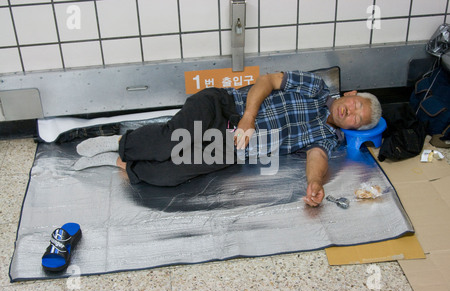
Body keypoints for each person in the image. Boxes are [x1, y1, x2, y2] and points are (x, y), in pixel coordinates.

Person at [74, 70, 382, 207]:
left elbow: (318, 158)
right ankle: (118, 143)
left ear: (356, 128)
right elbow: (268, 80)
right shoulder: (317, 87)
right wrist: (248, 116)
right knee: (172, 140)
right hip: (226, 106)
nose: (350, 112)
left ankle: (117, 161)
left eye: (358, 118)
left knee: (169, 174)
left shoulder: (329, 138)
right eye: (356, 105)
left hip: (234, 148)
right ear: (351, 95)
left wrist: (314, 183)